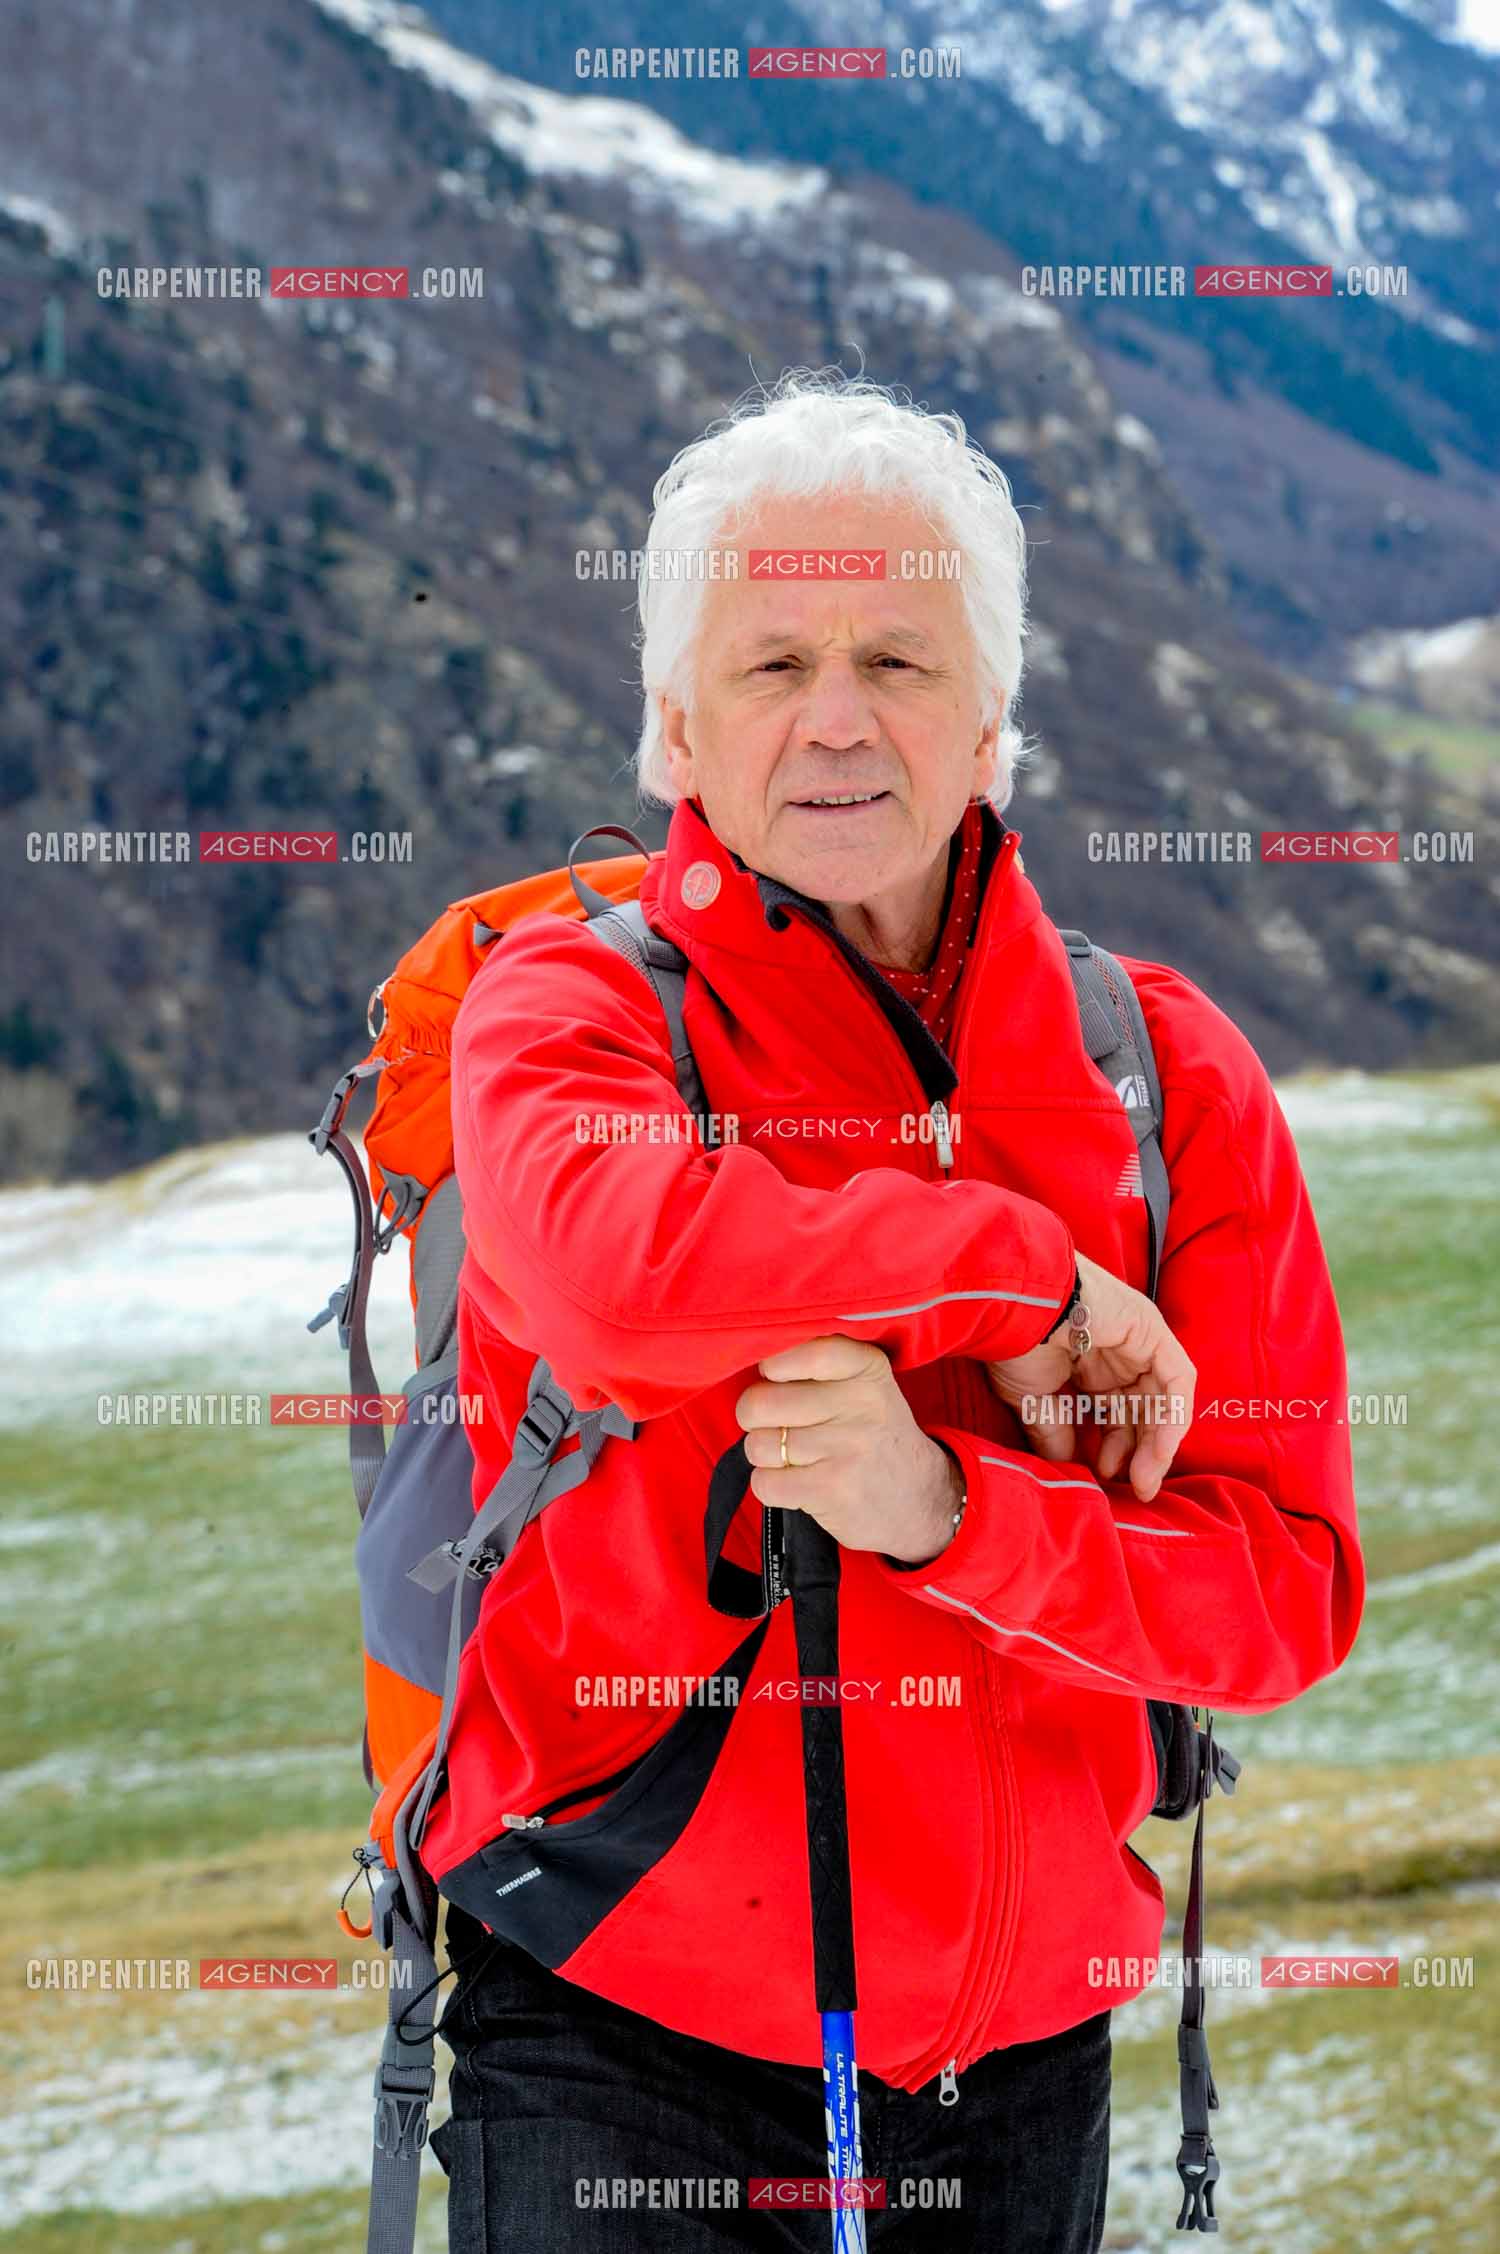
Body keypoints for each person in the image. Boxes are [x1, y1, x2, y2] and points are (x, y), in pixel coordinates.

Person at [421, 371, 1364, 2250]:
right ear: (674, 723)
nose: (838, 720)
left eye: (899, 662)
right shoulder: (565, 1016)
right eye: (772, 665)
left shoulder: (1165, 1075)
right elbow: (625, 1281)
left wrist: (948, 1512)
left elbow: (1282, 1594)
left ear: (995, 714)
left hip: (1023, 2068)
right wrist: (1027, 1273)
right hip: (616, 2027)